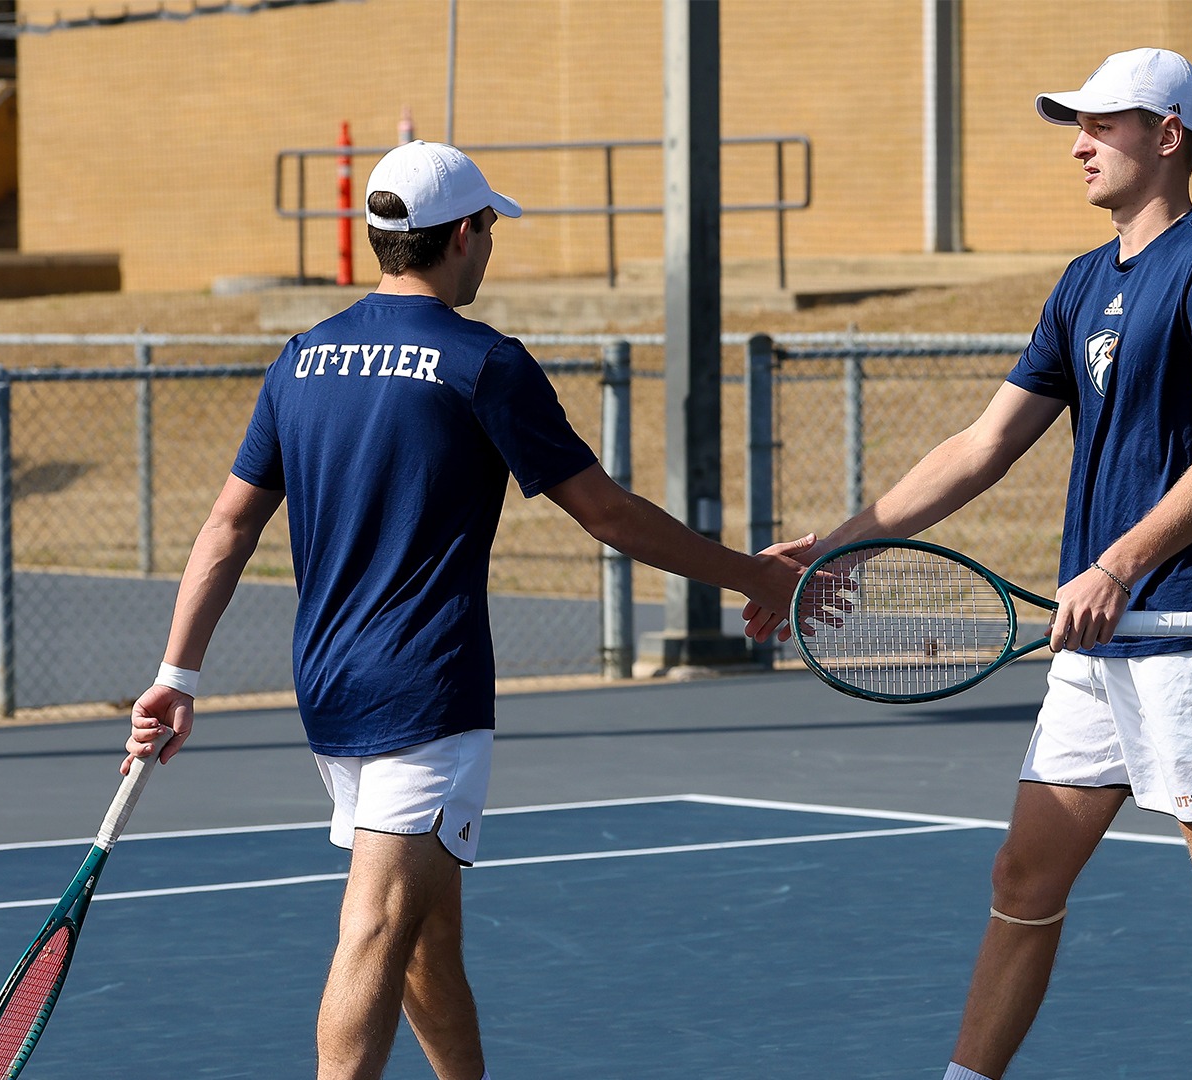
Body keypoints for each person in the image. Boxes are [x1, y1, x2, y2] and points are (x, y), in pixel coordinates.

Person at [123, 140, 809, 1080]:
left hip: (329, 692)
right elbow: (604, 511)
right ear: (459, 234)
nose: (490, 247)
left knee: (424, 935)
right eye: (487, 227)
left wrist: (175, 675)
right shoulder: (484, 362)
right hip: (427, 695)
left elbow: (226, 524)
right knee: (374, 931)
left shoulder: (303, 358)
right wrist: (753, 576)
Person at [759, 48, 1192, 1080]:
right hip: (1099, 649)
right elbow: (982, 445)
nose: (1080, 145)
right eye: (1074, 127)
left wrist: (1119, 567)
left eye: (1102, 124)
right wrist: (836, 548)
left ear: (1169, 135)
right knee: (1025, 873)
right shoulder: (1085, 282)